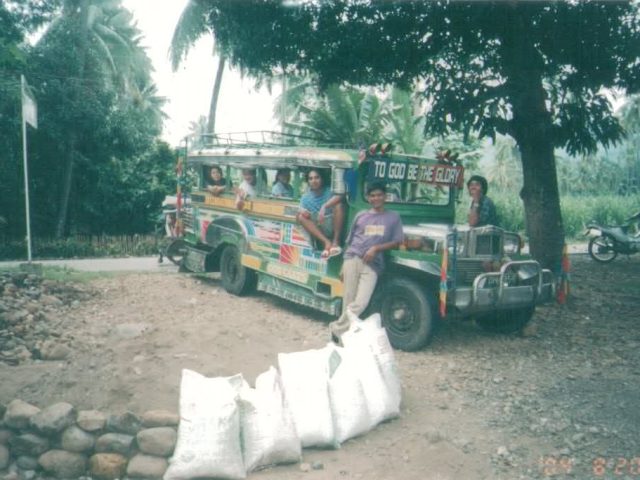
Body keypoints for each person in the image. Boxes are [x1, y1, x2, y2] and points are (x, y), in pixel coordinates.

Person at [330, 181, 404, 342]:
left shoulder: (393, 217)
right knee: (348, 299)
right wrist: (343, 265)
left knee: (361, 302)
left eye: (379, 195)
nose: (376, 198)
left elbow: (397, 241)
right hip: (352, 259)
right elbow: (350, 241)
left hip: (373, 265)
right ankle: (342, 337)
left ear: (385, 197)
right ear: (368, 198)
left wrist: (376, 248)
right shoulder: (361, 215)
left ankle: (337, 328)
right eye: (372, 196)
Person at [297, 168, 345, 258]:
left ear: (322, 179)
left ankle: (335, 242)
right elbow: (298, 216)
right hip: (318, 229)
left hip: (331, 225)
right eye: (310, 178)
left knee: (339, 205)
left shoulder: (329, 191)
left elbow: (341, 196)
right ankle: (327, 242)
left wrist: (324, 206)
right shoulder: (305, 198)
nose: (314, 181)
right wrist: (302, 211)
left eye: (317, 177)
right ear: (308, 181)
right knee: (301, 217)